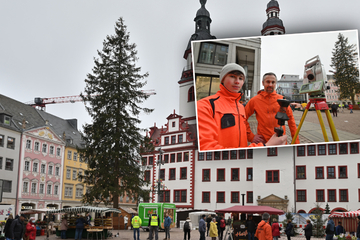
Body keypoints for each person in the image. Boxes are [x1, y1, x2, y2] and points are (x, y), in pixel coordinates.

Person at [197, 63, 287, 151]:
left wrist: (251, 137)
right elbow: (206, 148)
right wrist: (264, 146)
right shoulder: (205, 106)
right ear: (222, 79)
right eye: (232, 76)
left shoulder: (240, 107)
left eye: (240, 78)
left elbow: (245, 124)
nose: (237, 81)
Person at [245, 72, 300, 145]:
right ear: (263, 83)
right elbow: (243, 118)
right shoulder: (254, 101)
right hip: (263, 142)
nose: (270, 84)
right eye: (268, 82)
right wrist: (251, 137)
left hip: (280, 141)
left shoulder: (282, 100)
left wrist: (296, 143)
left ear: (275, 84)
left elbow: (291, 122)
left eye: (273, 82)